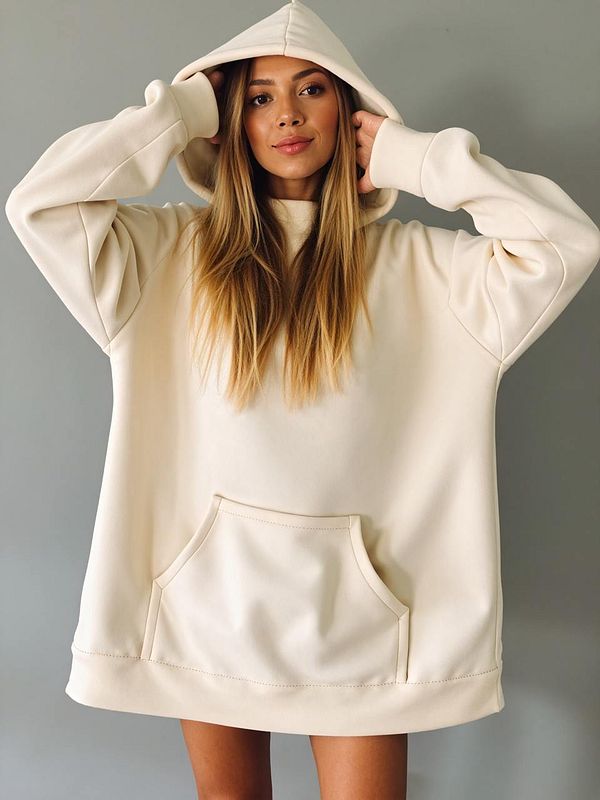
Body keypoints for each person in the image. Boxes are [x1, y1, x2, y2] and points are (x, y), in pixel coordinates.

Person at [5, 2, 599, 798]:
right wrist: (180, 110)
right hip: (209, 606)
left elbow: (567, 244)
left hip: (362, 626)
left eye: (312, 89)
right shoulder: (166, 259)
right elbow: (38, 205)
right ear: (231, 120)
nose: (286, 113)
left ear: (349, 112)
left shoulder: (431, 272)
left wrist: (414, 159)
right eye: (257, 96)